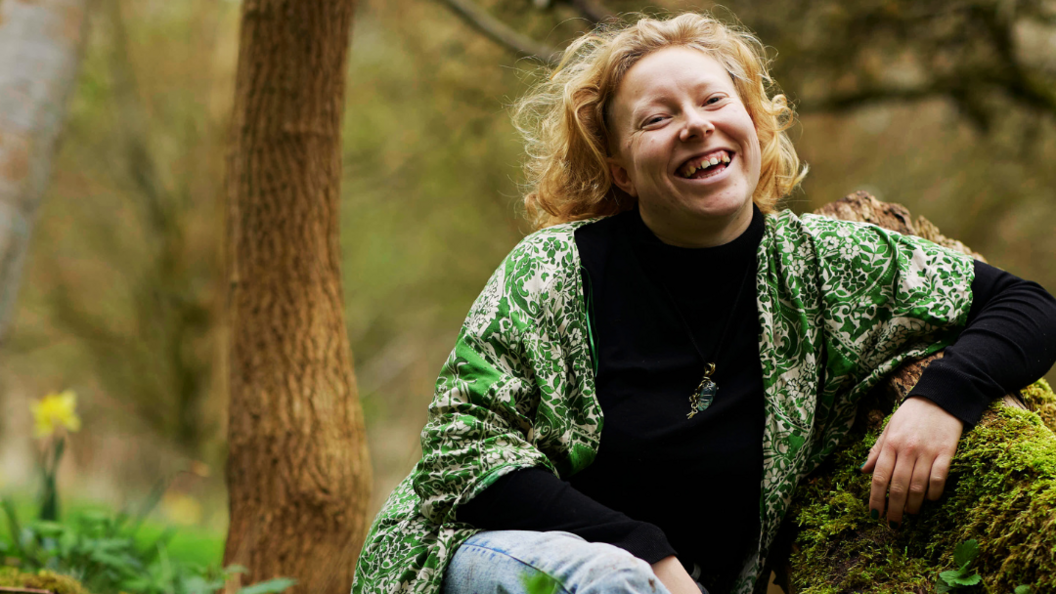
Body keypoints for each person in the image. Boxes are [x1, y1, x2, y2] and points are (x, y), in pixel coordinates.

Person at [352, 12, 1056, 594]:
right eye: (657, 118)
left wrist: (942, 398)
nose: (696, 125)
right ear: (620, 168)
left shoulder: (818, 265)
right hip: (483, 556)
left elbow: (1023, 304)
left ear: (755, 124)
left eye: (715, 101)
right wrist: (646, 553)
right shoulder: (554, 272)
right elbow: (463, 452)